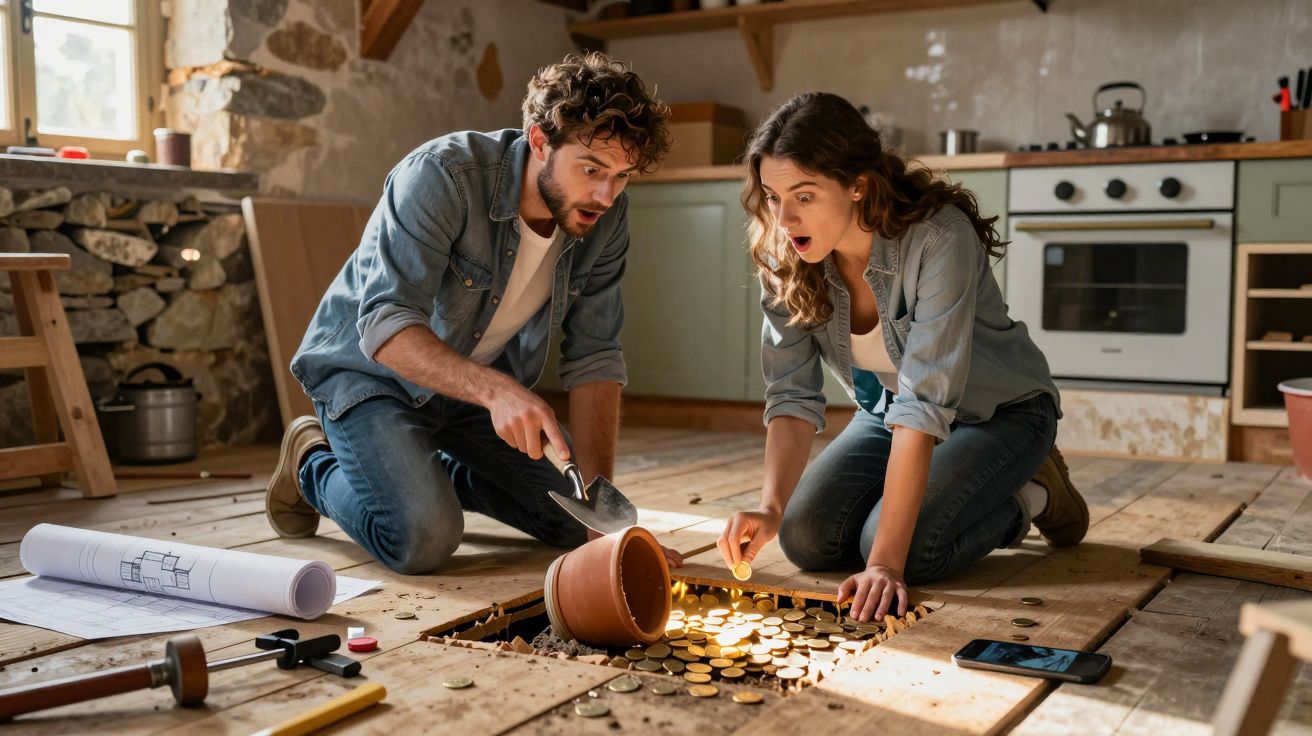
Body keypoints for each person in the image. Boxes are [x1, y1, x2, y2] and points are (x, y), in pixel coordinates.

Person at [263, 52, 682, 574]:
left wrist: (601, 514)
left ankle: (426, 473)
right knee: (424, 538)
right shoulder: (443, 175)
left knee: (575, 528)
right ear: (539, 142)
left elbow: (595, 356)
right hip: (369, 377)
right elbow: (385, 324)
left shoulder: (606, 217)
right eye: (591, 169)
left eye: (622, 176)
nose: (605, 195)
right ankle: (310, 461)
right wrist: (497, 391)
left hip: (466, 391)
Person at [717, 92, 1087, 622]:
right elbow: (792, 395)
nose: (785, 217)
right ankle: (950, 497)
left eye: (805, 196)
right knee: (804, 537)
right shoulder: (784, 254)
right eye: (773, 197)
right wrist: (770, 508)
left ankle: (1034, 495)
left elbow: (924, 402)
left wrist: (885, 564)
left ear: (858, 185)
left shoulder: (939, 238)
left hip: (1001, 415)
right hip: (890, 414)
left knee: (904, 552)